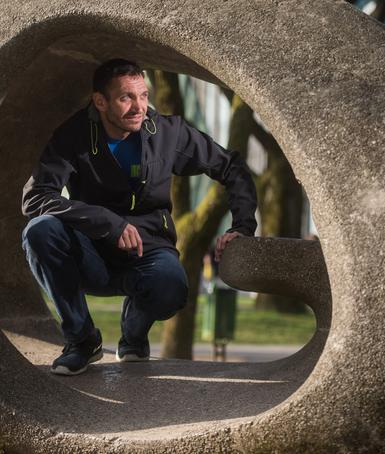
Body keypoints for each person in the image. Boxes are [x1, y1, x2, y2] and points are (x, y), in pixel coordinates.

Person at [21, 58, 257, 376]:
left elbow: (232, 167)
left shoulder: (167, 133)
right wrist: (107, 222)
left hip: (149, 250)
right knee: (39, 230)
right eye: (126, 98)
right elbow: (36, 198)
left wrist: (242, 226)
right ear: (100, 101)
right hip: (90, 252)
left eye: (143, 95)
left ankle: (133, 336)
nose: (139, 107)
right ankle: (81, 341)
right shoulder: (73, 135)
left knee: (171, 287)